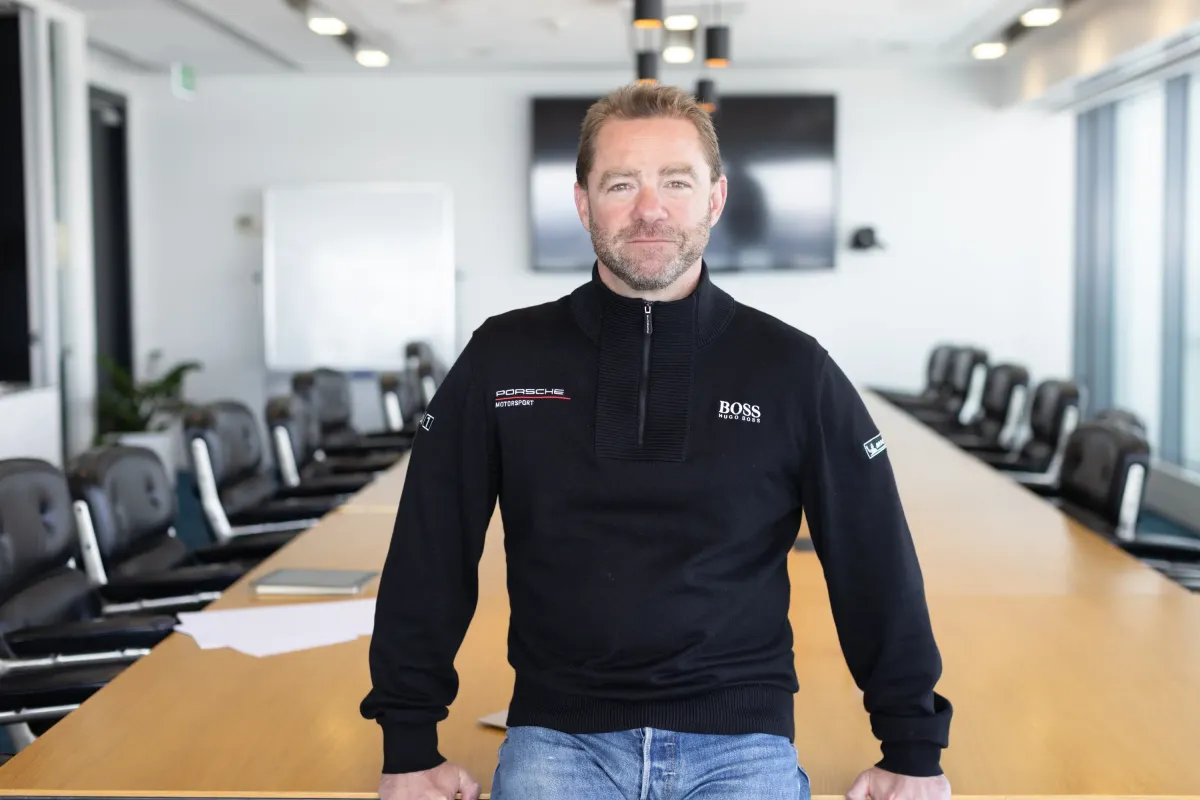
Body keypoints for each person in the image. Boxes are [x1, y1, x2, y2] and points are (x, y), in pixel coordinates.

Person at [361, 82, 953, 800]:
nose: (650, 208)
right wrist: (409, 740)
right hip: (559, 737)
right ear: (583, 203)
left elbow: (873, 557)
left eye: (677, 181)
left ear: (716, 199)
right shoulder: (505, 357)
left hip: (742, 741)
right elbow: (430, 546)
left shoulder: (792, 368)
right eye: (621, 184)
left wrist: (912, 747)